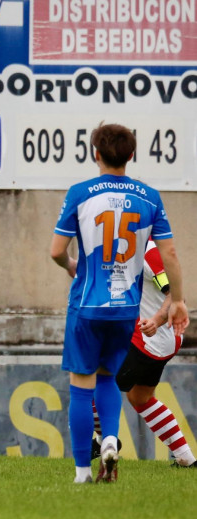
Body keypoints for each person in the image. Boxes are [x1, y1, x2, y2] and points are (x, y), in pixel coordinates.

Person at [50, 123, 188, 484]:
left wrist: (71, 266)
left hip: (89, 304)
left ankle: (83, 471)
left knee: (82, 384)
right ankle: (110, 440)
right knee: (114, 382)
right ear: (132, 154)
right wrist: (178, 302)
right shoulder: (149, 198)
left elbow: (56, 251)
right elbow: (169, 252)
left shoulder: (81, 193)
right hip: (126, 311)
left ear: (95, 153)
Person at [89, 239, 196, 468]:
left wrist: (156, 321)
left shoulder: (149, 253)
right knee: (140, 398)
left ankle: (105, 441)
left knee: (93, 384)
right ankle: (186, 458)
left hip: (150, 339)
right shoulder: (115, 250)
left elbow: (176, 297)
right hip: (155, 340)